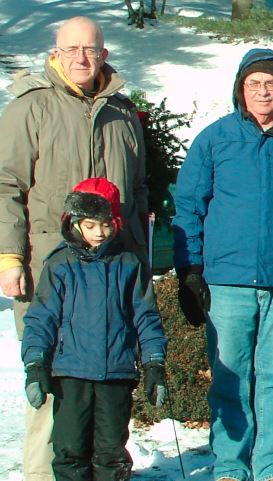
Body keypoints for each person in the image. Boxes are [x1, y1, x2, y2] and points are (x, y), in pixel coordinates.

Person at [172, 48, 273, 481]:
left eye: (272, 84)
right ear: (240, 91)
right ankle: (230, 464)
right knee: (230, 379)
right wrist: (188, 270)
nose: (263, 92)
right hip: (227, 280)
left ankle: (270, 465)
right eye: (254, 84)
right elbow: (189, 207)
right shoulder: (216, 139)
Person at [0, 17, 150, 481]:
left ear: (105, 55)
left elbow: (139, 191)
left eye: (91, 50)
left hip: (112, 276)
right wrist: (9, 256)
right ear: (55, 53)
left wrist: (140, 264)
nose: (82, 59)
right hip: (50, 272)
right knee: (50, 387)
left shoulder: (123, 113)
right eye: (72, 50)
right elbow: (6, 183)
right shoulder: (30, 107)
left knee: (105, 391)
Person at [20, 178, 165, 481]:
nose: (99, 233)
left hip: (117, 373)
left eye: (107, 225)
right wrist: (35, 364)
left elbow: (145, 316)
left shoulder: (129, 264)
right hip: (71, 374)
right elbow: (41, 318)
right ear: (74, 223)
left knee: (112, 452)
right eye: (90, 225)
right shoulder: (59, 265)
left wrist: (154, 363)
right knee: (70, 449)